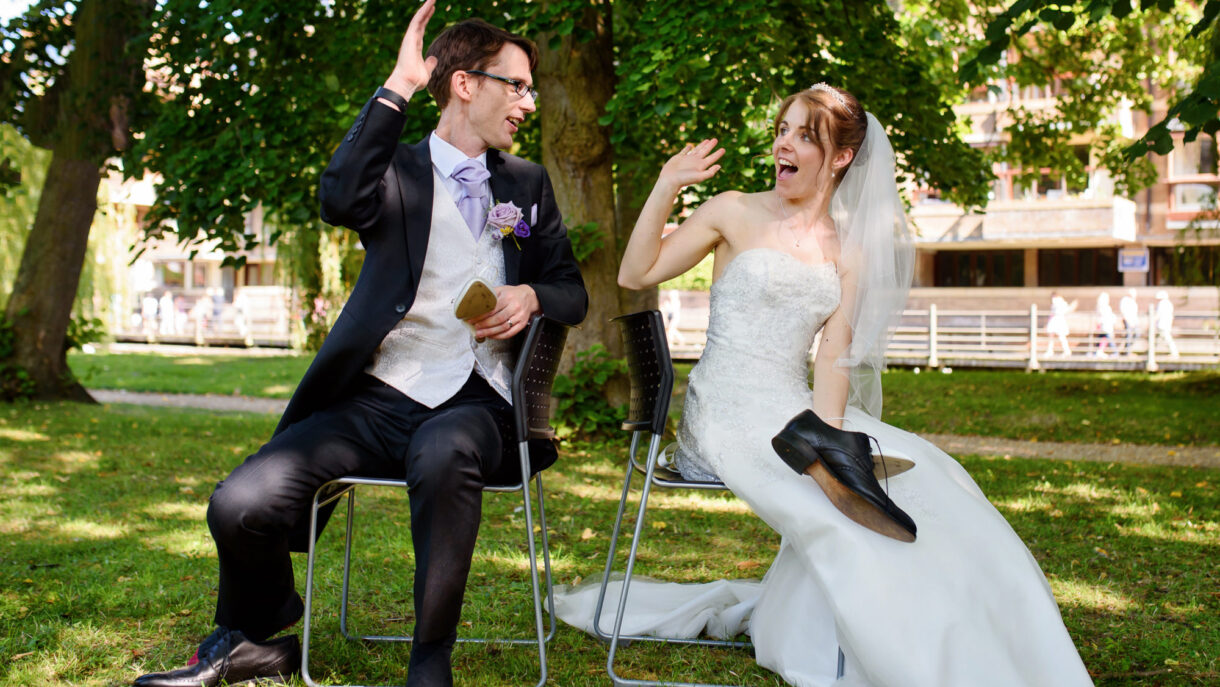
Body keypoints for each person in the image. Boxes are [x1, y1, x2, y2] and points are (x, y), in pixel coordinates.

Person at [557, 85, 1092, 686]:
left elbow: (834, 356)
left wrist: (833, 438)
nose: (783, 143)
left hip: (797, 408)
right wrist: (666, 184)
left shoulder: (849, 250)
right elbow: (634, 273)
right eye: (782, 129)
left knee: (934, 477)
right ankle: (895, 657)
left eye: (804, 135)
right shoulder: (732, 210)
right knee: (839, 510)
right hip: (728, 410)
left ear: (840, 158)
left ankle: (991, 652)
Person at [131, 2, 587, 686]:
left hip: (481, 404)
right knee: (240, 503)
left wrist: (531, 296)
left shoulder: (524, 184)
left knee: (445, 450)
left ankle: (429, 661)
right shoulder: (395, 171)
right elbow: (338, 196)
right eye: (516, 85)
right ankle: (255, 635)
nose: (528, 101)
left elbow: (571, 292)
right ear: (465, 83)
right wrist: (397, 87)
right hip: (381, 395)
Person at [1044, 290, 1077, 357]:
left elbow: (1058, 311)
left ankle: (1064, 351)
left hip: (1057, 320)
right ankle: (1053, 350)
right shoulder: (1062, 302)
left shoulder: (1056, 301)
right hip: (1057, 319)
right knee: (1057, 336)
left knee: (1059, 336)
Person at [1155, 289, 1179, 358]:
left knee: (1167, 338)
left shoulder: (1162, 303)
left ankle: (1174, 353)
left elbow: (1158, 314)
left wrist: (1152, 321)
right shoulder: (1169, 303)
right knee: (1159, 338)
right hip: (1167, 324)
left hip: (1162, 324)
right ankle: (1151, 352)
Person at [1094, 291, 1116, 357]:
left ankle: (1097, 352)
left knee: (1103, 338)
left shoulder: (1100, 307)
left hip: (1103, 325)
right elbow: (1107, 316)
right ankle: (1115, 352)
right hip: (1105, 325)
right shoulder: (1104, 307)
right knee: (1108, 338)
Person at [1119, 288, 1140, 354]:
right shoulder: (1125, 300)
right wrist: (1128, 321)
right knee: (1129, 334)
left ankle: (1127, 348)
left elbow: (1135, 313)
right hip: (1127, 320)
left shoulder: (1133, 301)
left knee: (1137, 334)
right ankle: (1127, 352)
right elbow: (1124, 311)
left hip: (1134, 321)